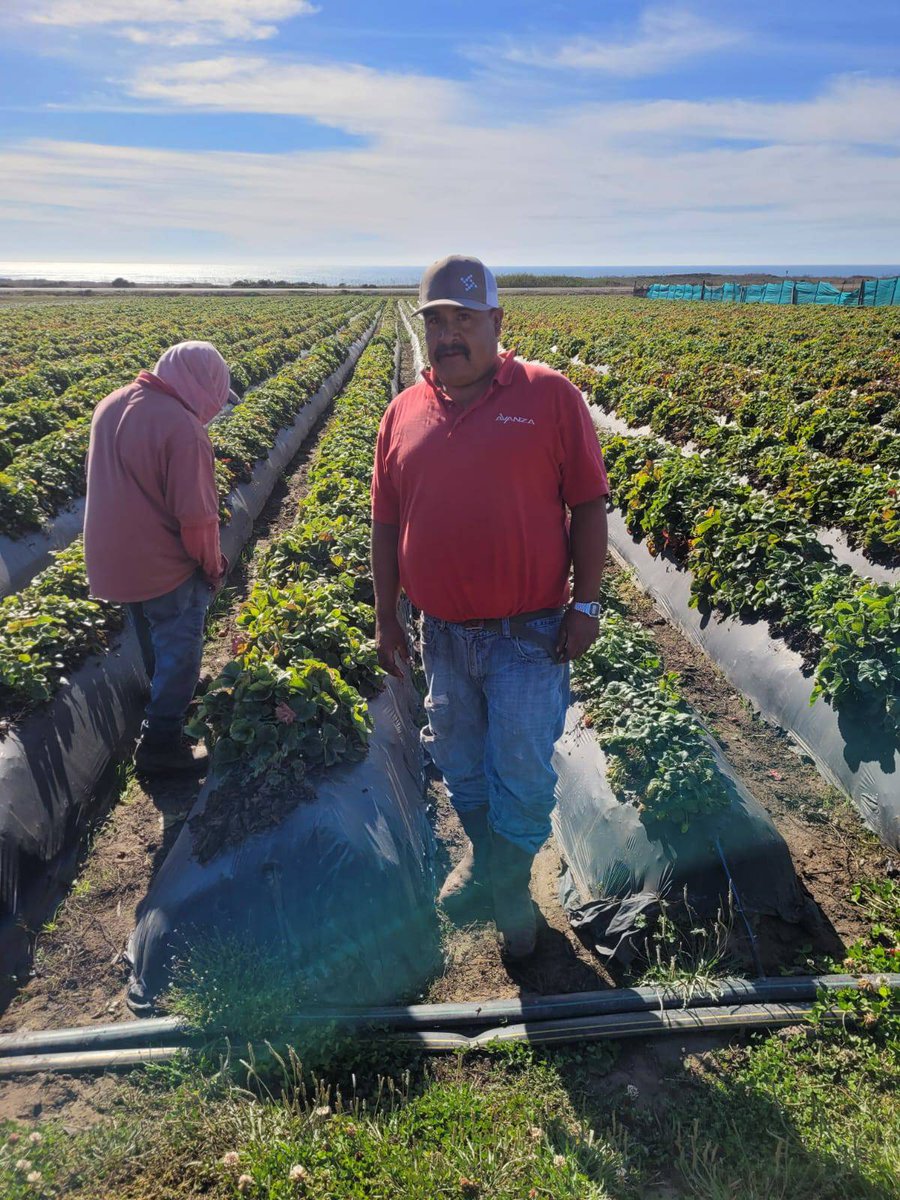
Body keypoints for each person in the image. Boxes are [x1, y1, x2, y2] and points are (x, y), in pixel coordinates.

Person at [371, 255, 609, 958]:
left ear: (496, 323)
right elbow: (386, 523)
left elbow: (589, 504)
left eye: (464, 318)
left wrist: (587, 604)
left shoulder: (548, 396)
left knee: (524, 773)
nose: (449, 334)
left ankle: (511, 889)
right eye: (436, 320)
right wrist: (388, 617)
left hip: (529, 633)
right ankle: (487, 859)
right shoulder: (403, 412)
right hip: (443, 634)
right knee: (462, 764)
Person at [84, 341, 233, 775]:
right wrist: (212, 566)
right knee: (181, 645)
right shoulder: (184, 428)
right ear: (204, 386)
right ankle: (159, 745)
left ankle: (169, 693)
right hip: (161, 564)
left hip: (113, 559)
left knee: (151, 635)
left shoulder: (110, 404)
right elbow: (199, 520)